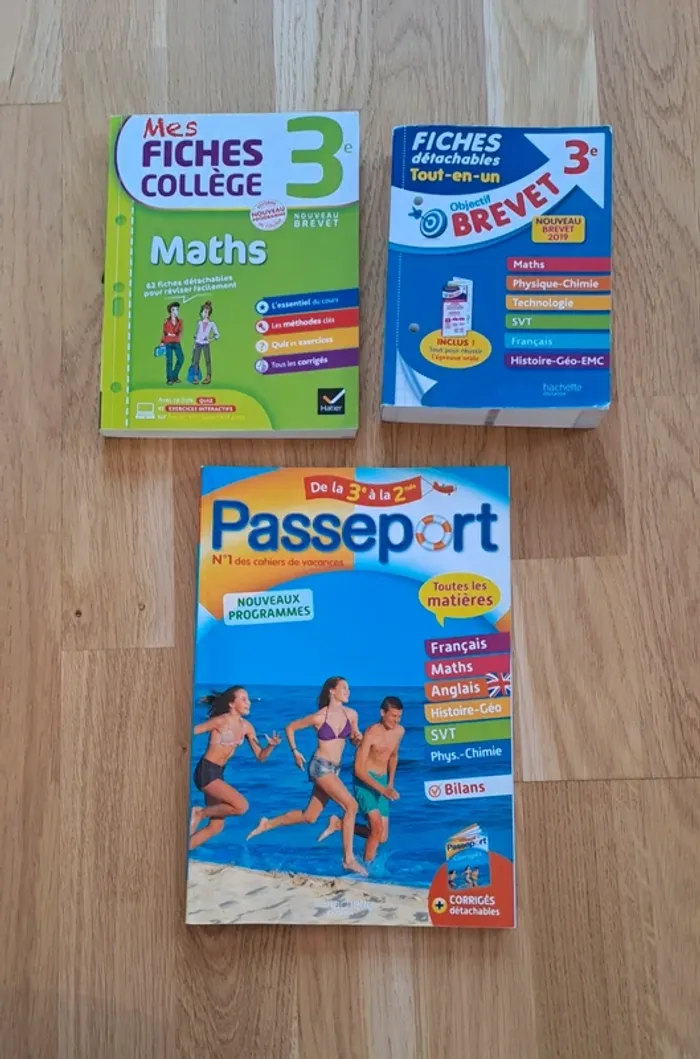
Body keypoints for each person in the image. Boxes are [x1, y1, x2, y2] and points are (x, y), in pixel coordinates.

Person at [246, 677, 367, 875]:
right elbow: (290, 727)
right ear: (332, 691)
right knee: (351, 806)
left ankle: (267, 823)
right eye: (344, 688)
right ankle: (348, 859)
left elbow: (354, 738)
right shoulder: (319, 717)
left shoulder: (352, 714)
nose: (348, 691)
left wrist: (357, 739)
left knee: (309, 817)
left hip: (335, 769)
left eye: (349, 688)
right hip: (320, 767)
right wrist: (295, 751)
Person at [189, 685, 281, 850]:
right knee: (241, 806)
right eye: (243, 699)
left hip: (218, 773)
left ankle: (182, 851)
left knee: (216, 826)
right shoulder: (220, 721)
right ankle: (199, 813)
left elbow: (260, 756)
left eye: (248, 699)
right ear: (231, 704)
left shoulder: (247, 727)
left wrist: (270, 746)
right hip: (206, 771)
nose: (248, 703)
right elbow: (191, 732)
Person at [318, 696, 404, 863]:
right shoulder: (370, 734)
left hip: (383, 782)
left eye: (399, 716)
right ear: (382, 713)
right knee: (376, 828)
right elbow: (358, 770)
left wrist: (390, 784)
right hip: (365, 782)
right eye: (393, 716)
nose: (396, 720)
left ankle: (339, 824)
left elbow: (393, 756)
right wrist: (382, 790)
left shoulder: (399, 731)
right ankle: (366, 870)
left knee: (382, 837)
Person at [192, 300, 220, 385]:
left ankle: (208, 377)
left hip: (205, 344)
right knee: (196, 360)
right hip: (197, 343)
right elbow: (196, 334)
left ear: (209, 313)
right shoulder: (199, 323)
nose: (204, 314)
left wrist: (210, 339)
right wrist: (194, 345)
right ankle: (195, 377)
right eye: (204, 312)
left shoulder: (212, 324)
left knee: (207, 361)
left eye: (206, 312)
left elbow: (217, 335)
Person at [162, 301, 184, 384]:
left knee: (181, 359)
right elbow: (164, 332)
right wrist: (162, 342)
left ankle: (174, 376)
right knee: (169, 361)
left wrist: (173, 334)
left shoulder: (180, 321)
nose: (175, 311)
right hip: (168, 342)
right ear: (170, 311)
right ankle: (170, 379)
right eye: (173, 309)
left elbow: (179, 332)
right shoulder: (166, 321)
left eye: (177, 309)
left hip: (176, 342)